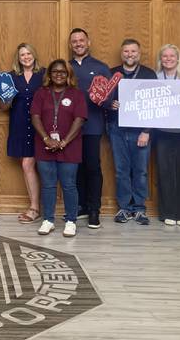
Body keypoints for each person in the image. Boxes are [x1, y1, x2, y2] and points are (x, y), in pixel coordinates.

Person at [30, 59, 87, 237]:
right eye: (55, 71)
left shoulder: (76, 94)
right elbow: (35, 117)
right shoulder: (41, 93)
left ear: (68, 75)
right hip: (44, 146)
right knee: (48, 185)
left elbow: (80, 119)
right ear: (49, 75)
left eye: (63, 72)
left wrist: (64, 142)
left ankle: (71, 221)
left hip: (70, 147)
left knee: (69, 185)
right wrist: (47, 139)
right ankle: (48, 220)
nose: (59, 74)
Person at [107, 39, 156, 225]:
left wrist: (146, 131)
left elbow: (154, 105)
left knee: (141, 171)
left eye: (133, 51)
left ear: (139, 53)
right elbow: (102, 100)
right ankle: (124, 208)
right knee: (121, 171)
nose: (130, 54)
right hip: (116, 128)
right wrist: (109, 104)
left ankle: (140, 209)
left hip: (140, 131)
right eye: (126, 51)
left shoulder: (149, 74)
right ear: (122, 54)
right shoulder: (112, 73)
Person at [67, 28, 110, 228]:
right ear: (70, 45)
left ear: (88, 42)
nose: (78, 44)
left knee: (92, 168)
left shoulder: (101, 67)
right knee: (74, 168)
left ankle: (94, 210)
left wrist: (103, 99)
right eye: (74, 41)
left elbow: (111, 100)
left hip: (92, 126)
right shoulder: (65, 68)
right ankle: (81, 206)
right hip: (70, 129)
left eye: (81, 40)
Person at [153, 43, 180, 226]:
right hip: (162, 132)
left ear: (178, 58)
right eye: (165, 56)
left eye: (172, 56)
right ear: (160, 59)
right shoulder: (155, 78)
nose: (169, 59)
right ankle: (168, 213)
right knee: (165, 172)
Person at [2, 42, 44, 224]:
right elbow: (3, 106)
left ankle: (36, 207)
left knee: (32, 165)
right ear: (18, 59)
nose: (26, 57)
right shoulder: (11, 77)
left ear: (33, 54)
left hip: (40, 125)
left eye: (28, 53)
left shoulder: (44, 74)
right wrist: (7, 98)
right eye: (22, 55)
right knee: (27, 165)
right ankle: (35, 207)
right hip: (19, 124)